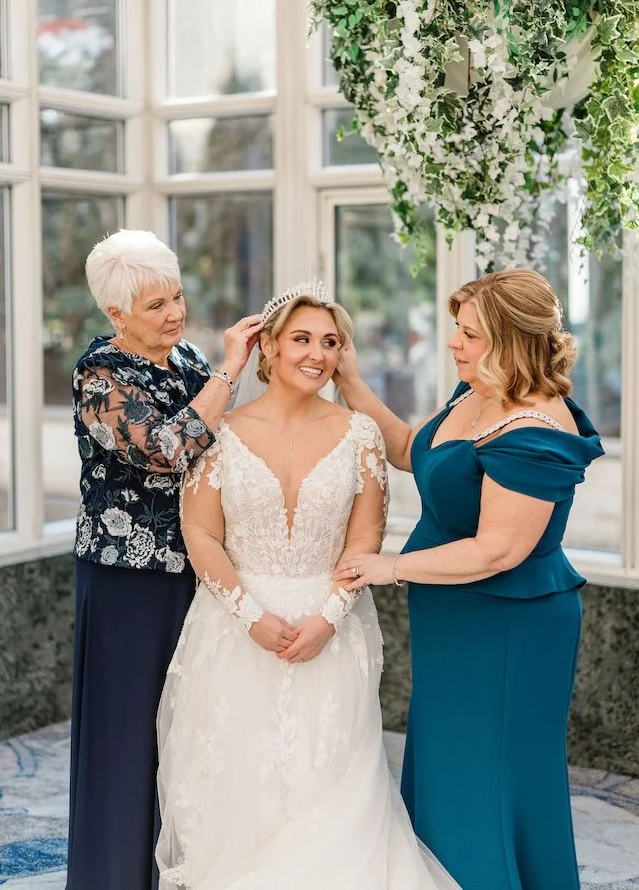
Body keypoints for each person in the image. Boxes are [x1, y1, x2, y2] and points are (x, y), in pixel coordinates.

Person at [155, 281, 460, 890]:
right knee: (238, 786)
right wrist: (250, 614)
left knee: (331, 788)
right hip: (235, 629)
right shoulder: (220, 431)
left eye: (330, 342)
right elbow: (202, 535)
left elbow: (364, 538)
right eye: (301, 339)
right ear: (267, 346)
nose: (316, 354)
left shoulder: (360, 434)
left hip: (332, 629)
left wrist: (328, 616)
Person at [333, 268, 604, 890]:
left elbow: (498, 551)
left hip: (507, 624)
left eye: (470, 333)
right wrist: (351, 381)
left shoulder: (535, 429)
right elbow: (409, 449)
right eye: (457, 328)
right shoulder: (477, 391)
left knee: (491, 774)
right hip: (453, 619)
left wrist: (389, 566)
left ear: (512, 341)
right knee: (451, 765)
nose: (454, 342)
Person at [66, 229, 262, 890]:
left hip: (196, 569)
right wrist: (232, 371)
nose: (174, 312)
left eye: (176, 296)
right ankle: (111, 876)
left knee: (188, 727)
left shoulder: (185, 357)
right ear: (117, 314)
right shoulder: (100, 375)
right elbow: (169, 448)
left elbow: (224, 439)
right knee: (126, 739)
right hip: (127, 581)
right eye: (155, 305)